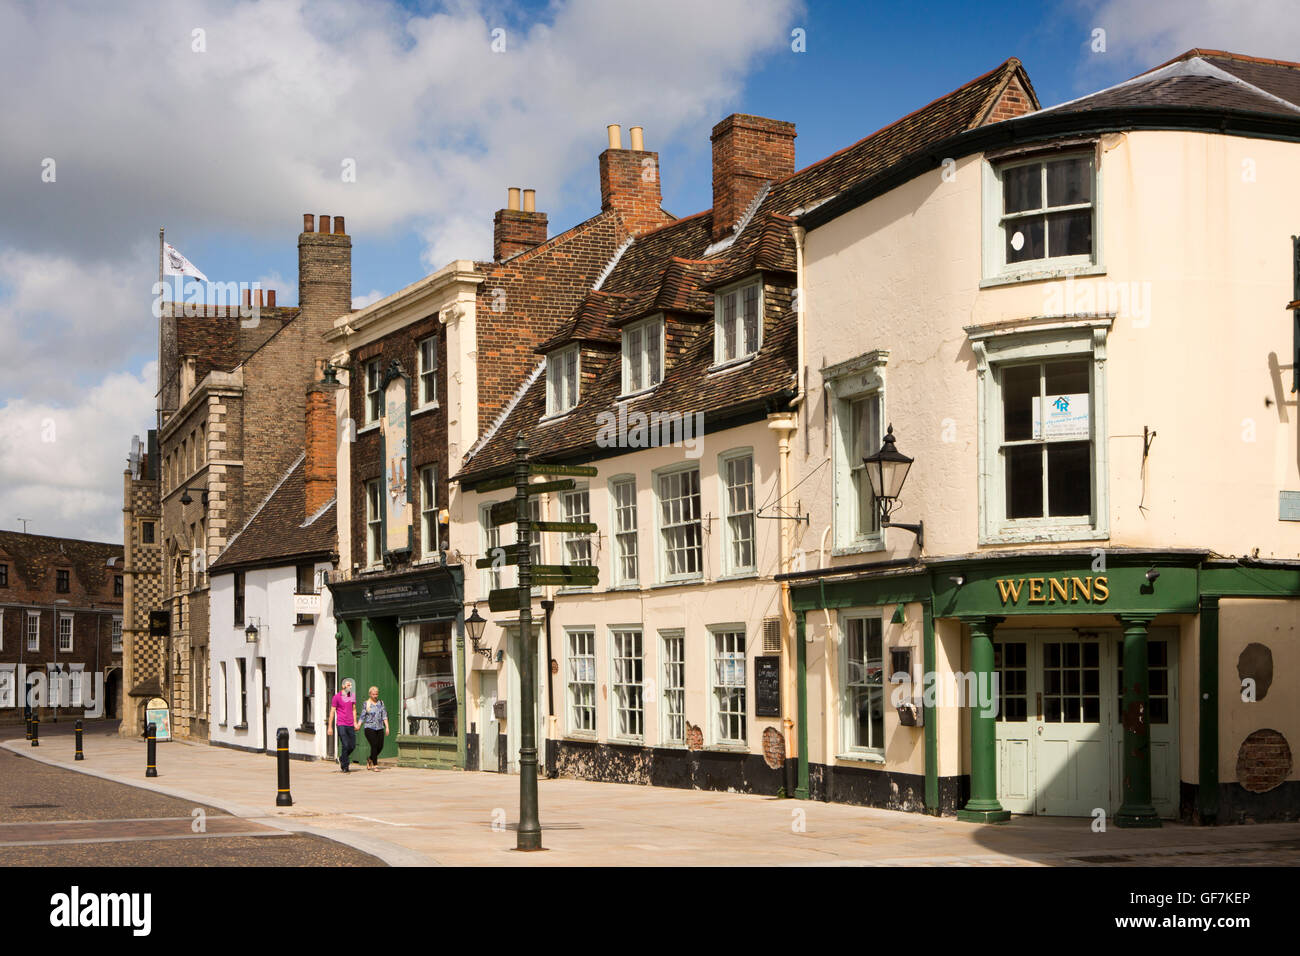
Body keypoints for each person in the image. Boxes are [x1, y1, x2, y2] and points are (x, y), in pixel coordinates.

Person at [328, 678, 361, 773]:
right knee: (345, 744)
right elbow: (332, 712)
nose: (350, 687)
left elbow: (354, 709)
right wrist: (330, 727)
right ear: (343, 686)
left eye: (351, 685)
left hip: (350, 724)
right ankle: (345, 766)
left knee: (352, 746)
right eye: (348, 685)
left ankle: (342, 758)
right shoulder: (336, 697)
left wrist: (355, 722)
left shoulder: (352, 696)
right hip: (341, 724)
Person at [360, 685, 390, 771]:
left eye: (376, 694)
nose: (375, 696)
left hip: (380, 727)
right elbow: (362, 716)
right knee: (374, 745)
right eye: (373, 694)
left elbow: (384, 715)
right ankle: (375, 765)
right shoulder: (366, 704)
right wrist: (358, 724)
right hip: (369, 727)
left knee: (380, 746)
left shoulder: (381, 703)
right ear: (370, 694)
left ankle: (370, 759)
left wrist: (387, 727)